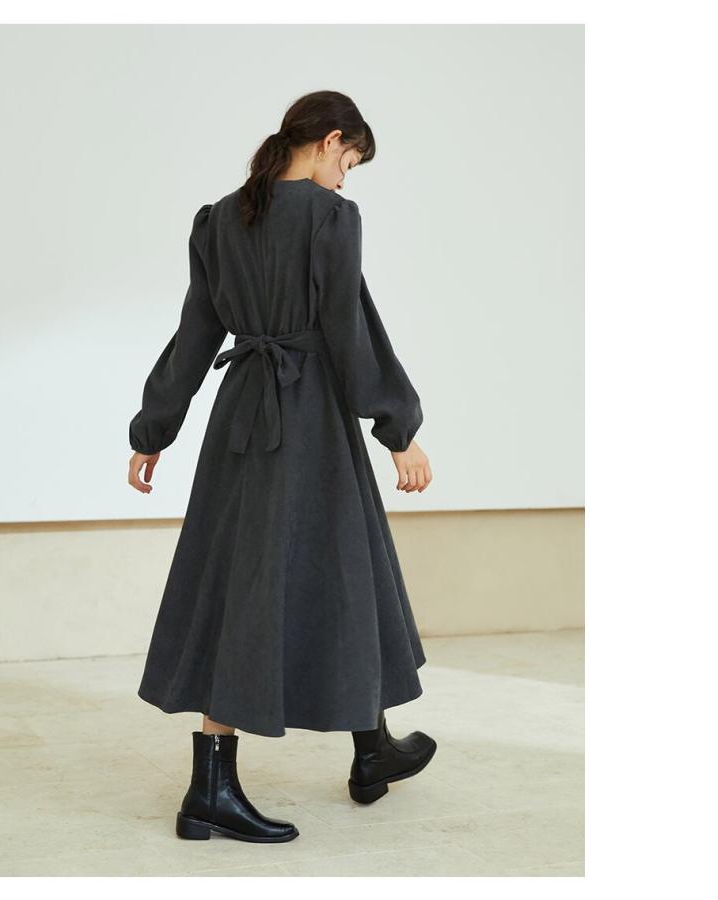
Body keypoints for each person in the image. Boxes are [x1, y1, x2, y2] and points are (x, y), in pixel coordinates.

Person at [127, 91, 436, 843]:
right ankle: (212, 789)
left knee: (273, 574)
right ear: (330, 140)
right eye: (350, 161)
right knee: (317, 572)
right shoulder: (331, 217)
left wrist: (155, 427)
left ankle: (371, 747)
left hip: (240, 416)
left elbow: (196, 329)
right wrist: (397, 427)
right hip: (309, 416)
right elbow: (349, 328)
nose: (346, 177)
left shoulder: (218, 219)